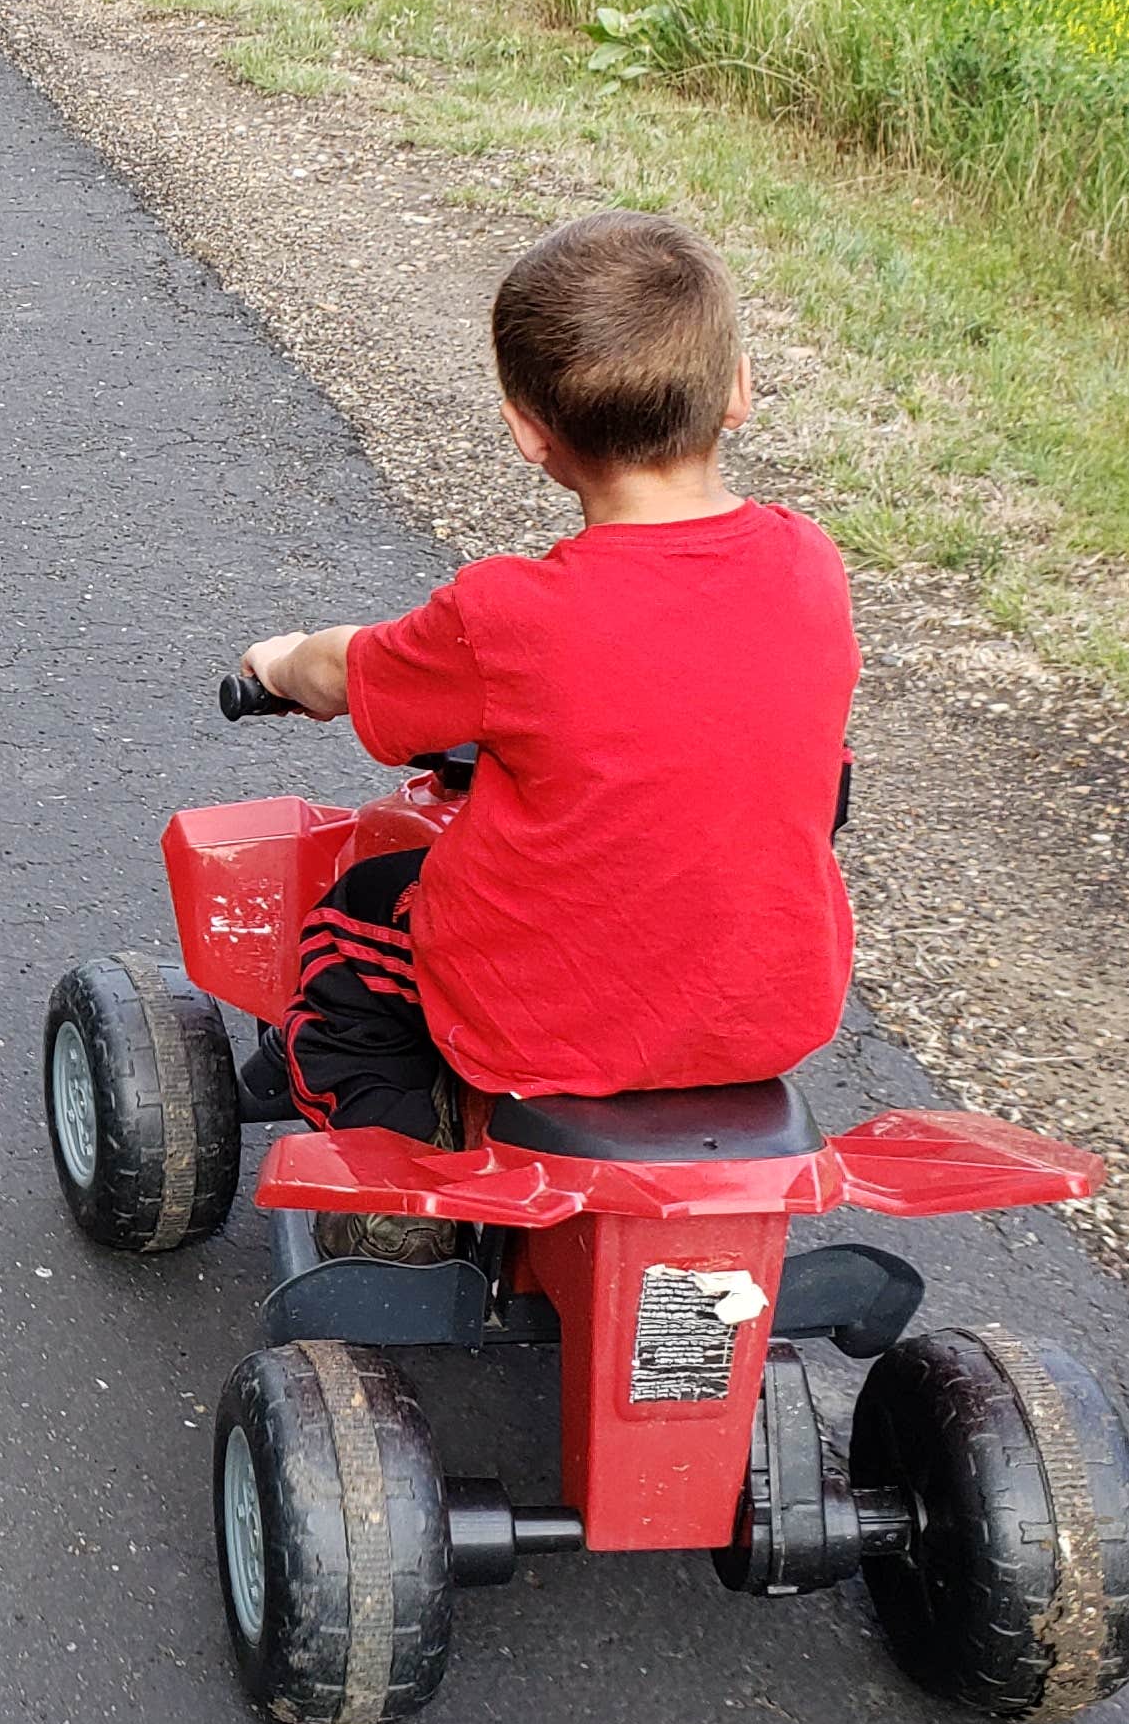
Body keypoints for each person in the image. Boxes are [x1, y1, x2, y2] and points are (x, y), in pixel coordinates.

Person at [235, 209, 856, 1141]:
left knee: (348, 936)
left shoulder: (502, 619)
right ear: (738, 389)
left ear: (527, 432)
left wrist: (284, 660)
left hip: (539, 1019)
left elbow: (342, 672)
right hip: (766, 1013)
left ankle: (394, 1172)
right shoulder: (812, 565)